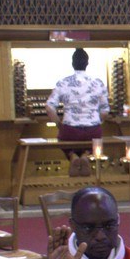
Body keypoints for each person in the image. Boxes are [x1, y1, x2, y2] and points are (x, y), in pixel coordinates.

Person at [46, 48, 111, 177]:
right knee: (96, 137)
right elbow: (105, 111)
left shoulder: (63, 82)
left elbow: (49, 107)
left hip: (70, 131)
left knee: (62, 138)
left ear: (72, 63)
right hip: (93, 132)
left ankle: (73, 156)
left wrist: (59, 124)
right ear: (87, 63)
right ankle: (86, 155)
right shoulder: (98, 83)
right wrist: (96, 121)